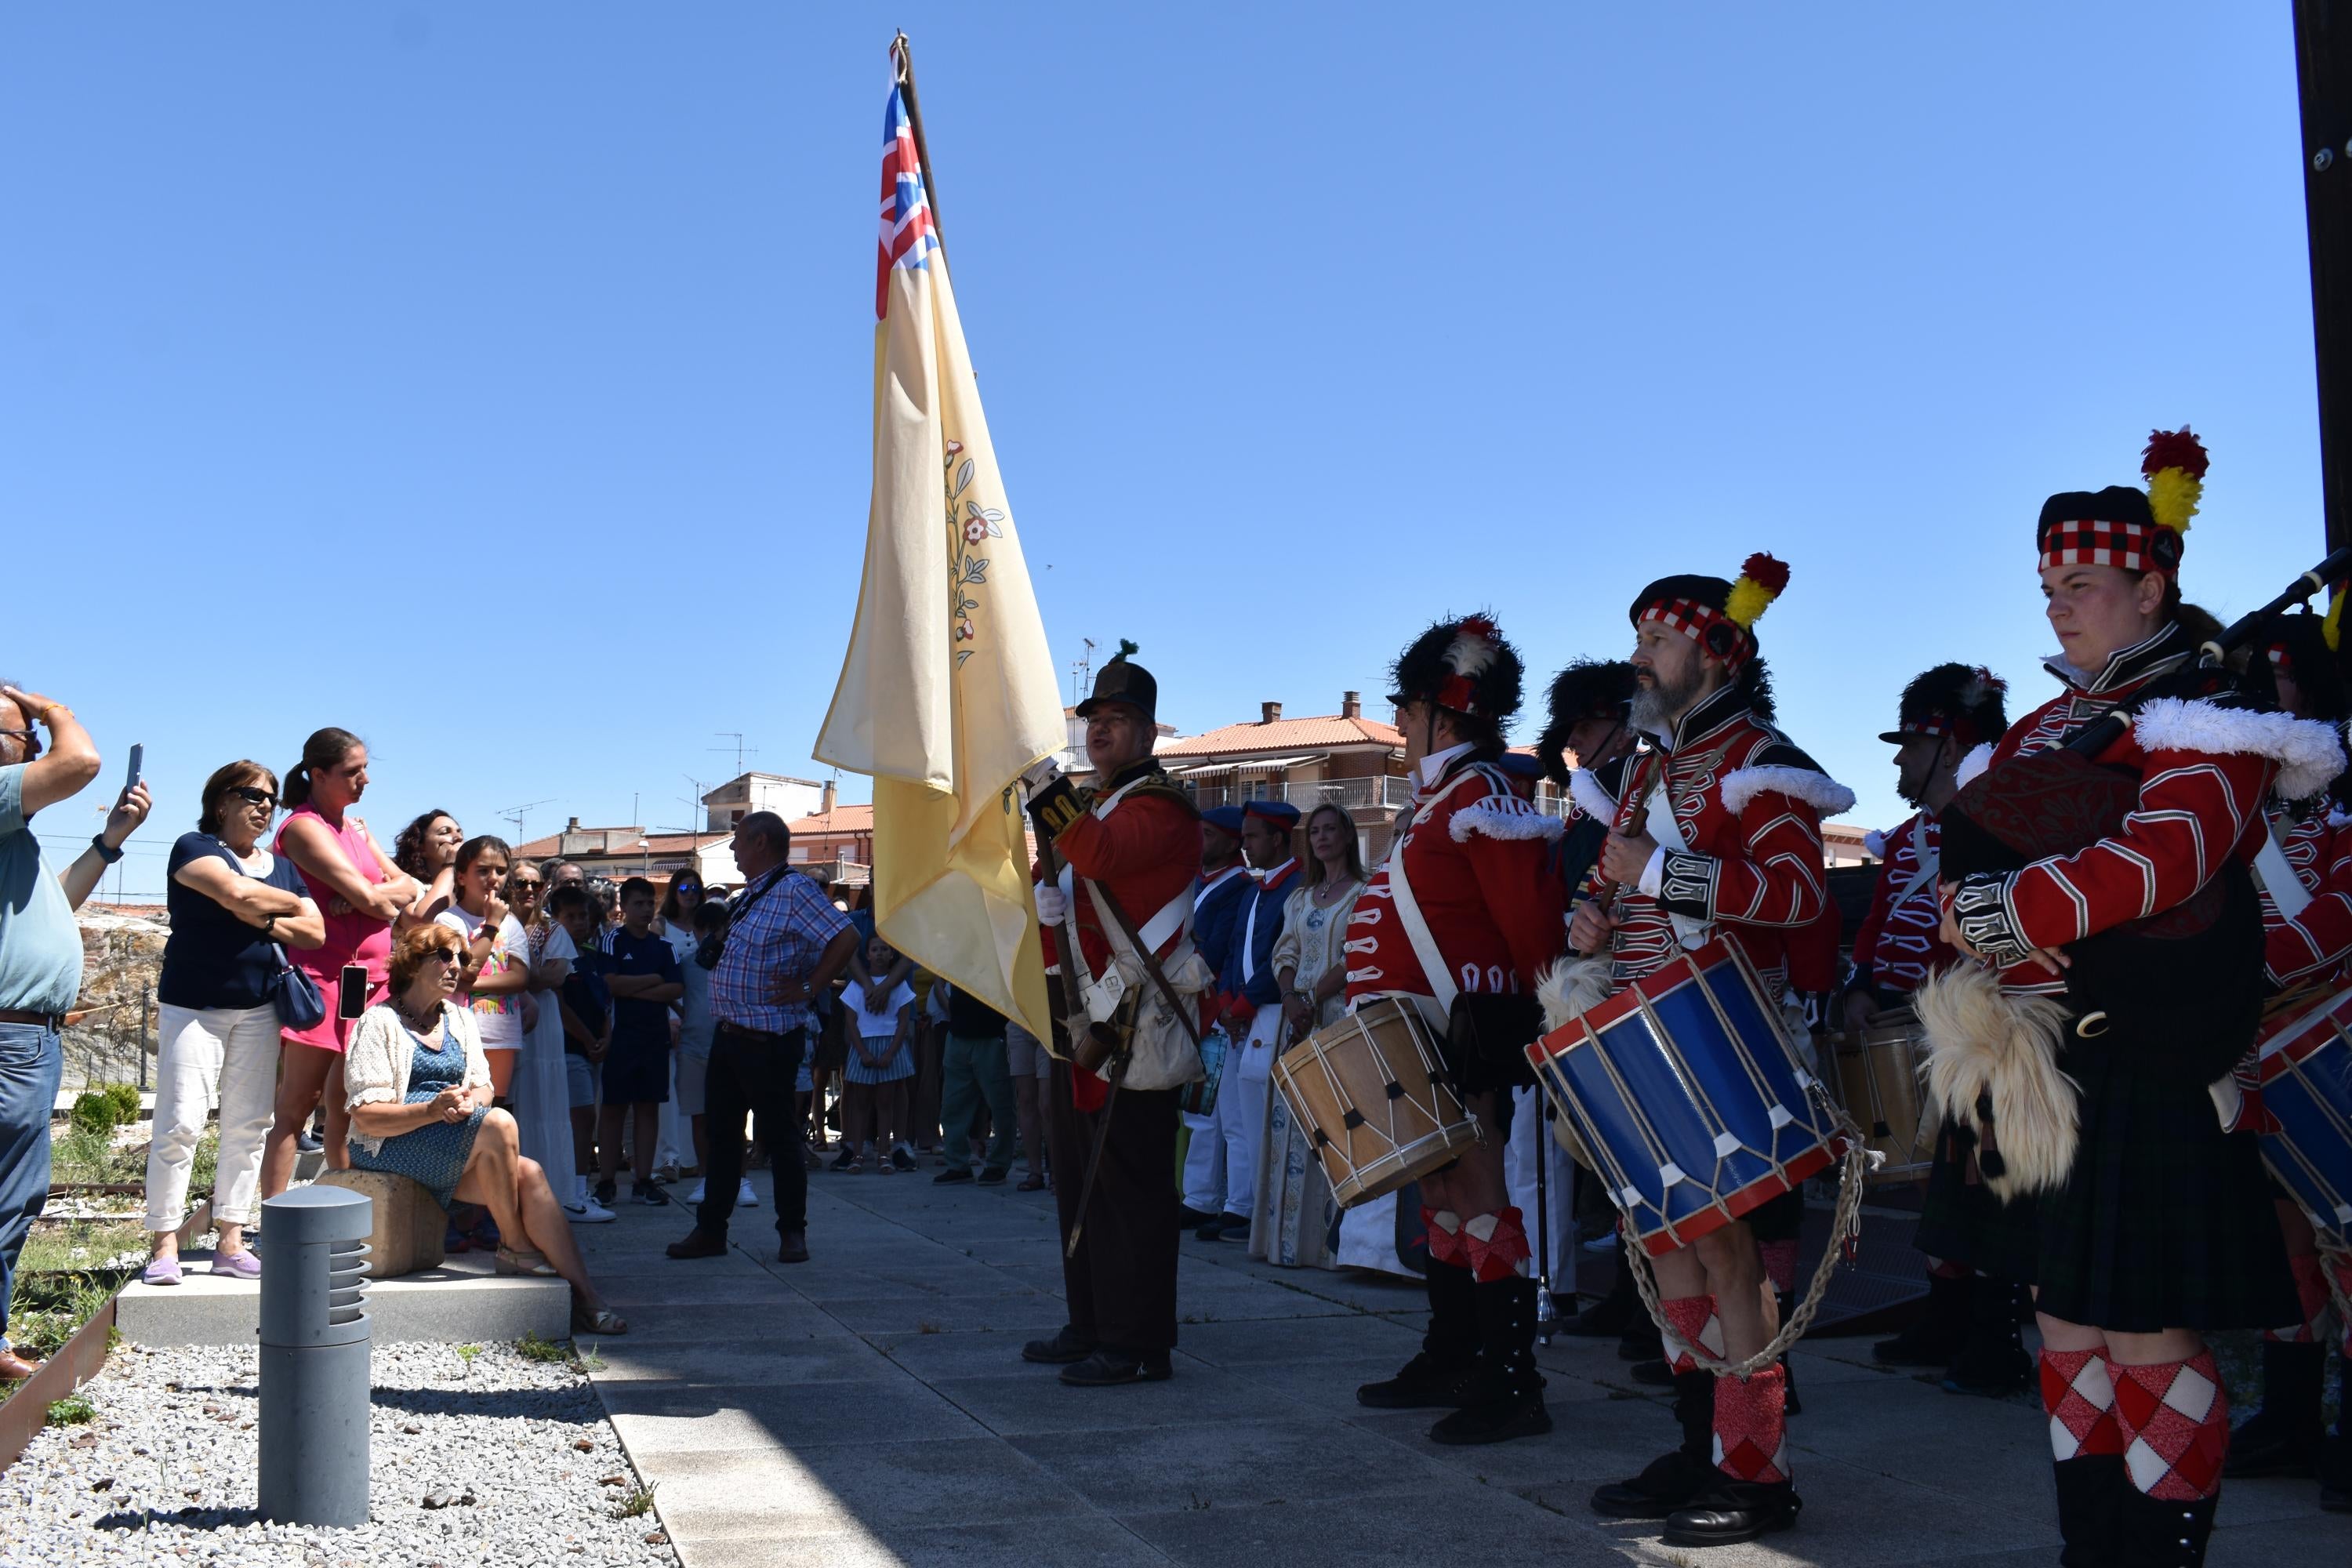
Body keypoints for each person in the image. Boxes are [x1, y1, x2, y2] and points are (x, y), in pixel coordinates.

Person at [1925, 430, 2330, 1562]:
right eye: (2049, 588)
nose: (2061, 609)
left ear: (2152, 585)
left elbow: (2167, 862)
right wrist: (1980, 928)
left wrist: (2005, 916)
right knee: (2064, 1320)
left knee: (2147, 1333)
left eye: (2085, 587)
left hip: (2155, 1057)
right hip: (2049, 1062)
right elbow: (1979, 852)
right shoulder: (2052, 729)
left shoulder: (2212, 722)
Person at [1560, 556, 1846, 1547]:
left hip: (1722, 1033)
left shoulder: (1762, 758)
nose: (1638, 659)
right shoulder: (1640, 767)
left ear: (1719, 651)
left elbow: (1801, 895)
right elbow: (1612, 878)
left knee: (1725, 1252)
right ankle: (1701, 1444)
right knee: (1668, 1246)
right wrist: (1593, 914)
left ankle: (1757, 1472)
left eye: (1657, 641)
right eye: (1639, 638)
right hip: (1641, 1032)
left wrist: (1666, 870)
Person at [1345, 616, 1568, 1446]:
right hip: (1418, 1030)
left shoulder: (1481, 797)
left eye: (1407, 708)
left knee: (1477, 1193)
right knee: (1440, 1195)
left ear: (1445, 710)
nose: (1399, 723)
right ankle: (1453, 1350)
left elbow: (1529, 927)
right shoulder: (1439, 797)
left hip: (1462, 1028)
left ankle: (1513, 1377)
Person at [1021, 643, 1212, 1386]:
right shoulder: (1093, 805)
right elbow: (1063, 880)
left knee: (1130, 1186)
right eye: (1096, 716)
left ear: (1149, 734)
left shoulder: (1160, 808)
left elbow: (1096, 856)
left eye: (1120, 718)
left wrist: (1045, 788)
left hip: (1137, 1020)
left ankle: (1139, 1343)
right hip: (1089, 1024)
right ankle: (1094, 1322)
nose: (1102, 728)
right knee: (1082, 1182)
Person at [1846, 666, 2026, 1388]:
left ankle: (1996, 1333)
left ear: (1950, 746)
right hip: (1908, 1020)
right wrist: (1862, 985)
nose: (1899, 760)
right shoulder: (1914, 836)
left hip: (1979, 1028)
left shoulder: (2000, 816)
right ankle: (1947, 1311)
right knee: (1935, 1184)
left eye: (1911, 745)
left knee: (1993, 1179)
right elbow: (1880, 925)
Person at [344, 924, 625, 1335]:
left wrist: (464, 1104)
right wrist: (431, 1110)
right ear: (412, 963)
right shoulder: (378, 1022)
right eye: (444, 956)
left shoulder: (458, 1016)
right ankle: (514, 1244)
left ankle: (586, 1297)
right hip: (387, 1145)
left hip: (447, 1137)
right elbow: (365, 1115)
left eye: (461, 958)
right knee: (498, 1123)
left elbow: (484, 1086)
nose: (457, 966)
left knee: (527, 1171)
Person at [2229, 610, 2352, 1504]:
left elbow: (2342, 908)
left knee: (2345, 1239)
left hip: (2328, 1031)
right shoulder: (2230, 798)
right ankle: (2292, 1412)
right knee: (2283, 1242)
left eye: (2274, 678)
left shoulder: (2344, 793)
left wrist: (2251, 973)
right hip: (2247, 1047)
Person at [0, 682, 150, 1381]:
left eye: (32, 738)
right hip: (9, 1041)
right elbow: (81, 762)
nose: (31, 748)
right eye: (19, 739)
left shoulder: (12, 834)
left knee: (15, 1196)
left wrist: (109, 842)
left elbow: (53, 904)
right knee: (6, 1196)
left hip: (28, 1039)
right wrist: (48, 707)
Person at [146, 761, 325, 1286]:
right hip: (194, 1009)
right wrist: (281, 907)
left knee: (249, 1127)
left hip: (258, 1008)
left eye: (271, 797)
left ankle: (231, 1238)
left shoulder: (282, 866)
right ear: (221, 801)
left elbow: (314, 931)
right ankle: (163, 1244)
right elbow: (236, 894)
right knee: (180, 1123)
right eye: (252, 794)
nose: (265, 805)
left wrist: (266, 914)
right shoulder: (194, 848)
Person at [666, 811, 855, 1265]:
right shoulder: (752, 894)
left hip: (769, 1038)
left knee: (778, 1136)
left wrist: (809, 987)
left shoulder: (794, 890)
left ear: (762, 843)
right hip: (729, 1036)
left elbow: (845, 937)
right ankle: (711, 1230)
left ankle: (793, 1232)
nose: (731, 849)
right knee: (723, 1136)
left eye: (738, 840)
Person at [1531, 659, 1654, 1347]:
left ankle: (1655, 1308)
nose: (1576, 740)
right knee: (1612, 1157)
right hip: (1589, 982)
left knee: (1642, 1149)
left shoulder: (1639, 789)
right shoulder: (1593, 800)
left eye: (1589, 724)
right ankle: (1633, 1293)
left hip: (1629, 984)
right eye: (1572, 729)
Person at [264, 728, 420, 1196]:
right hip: (321, 981)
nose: (365, 780)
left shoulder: (356, 827)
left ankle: (348, 1205)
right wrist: (366, 899)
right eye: (353, 772)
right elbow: (375, 897)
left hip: (372, 983)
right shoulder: (303, 827)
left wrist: (363, 901)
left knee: (351, 1102)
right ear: (318, 775)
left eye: (364, 769)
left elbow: (409, 888)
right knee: (299, 1106)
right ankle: (273, 1218)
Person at [1254, 800, 1363, 1267]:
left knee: (1334, 1124)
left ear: (1346, 836)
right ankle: (1285, 1242)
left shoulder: (1364, 891)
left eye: (1330, 829)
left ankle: (1328, 1247)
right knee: (1290, 1123)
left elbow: (1359, 951)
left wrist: (1315, 996)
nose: (1321, 838)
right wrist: (1291, 997)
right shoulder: (1300, 897)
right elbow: (1285, 950)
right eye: (1315, 831)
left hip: (1335, 1019)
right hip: (1295, 1020)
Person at [1196, 800, 1301, 1242]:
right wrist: (1225, 1000)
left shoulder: (1295, 887)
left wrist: (1239, 1006)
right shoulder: (1257, 889)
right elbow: (1236, 948)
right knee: (1237, 1120)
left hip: (1268, 1012)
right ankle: (1240, 1205)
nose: (1246, 844)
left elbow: (1279, 956)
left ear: (1277, 839)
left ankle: (1259, 1210)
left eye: (1254, 836)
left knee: (1262, 1119)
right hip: (1239, 1014)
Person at [1176, 804, 1252, 1229]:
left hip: (1219, 1009)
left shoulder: (1238, 886)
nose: (1198, 843)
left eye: (1207, 835)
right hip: (1193, 1008)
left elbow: (1218, 946)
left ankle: (1239, 1204)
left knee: (1232, 1117)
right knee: (1200, 1114)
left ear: (1230, 841)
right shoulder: (1196, 882)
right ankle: (1200, 1197)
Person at [593, 877, 683, 1207]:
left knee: (648, 1109)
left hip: (654, 1038)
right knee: (614, 1109)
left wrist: (636, 987)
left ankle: (644, 1179)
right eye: (638, 904)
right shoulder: (612, 941)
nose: (645, 910)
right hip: (620, 1038)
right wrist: (652, 980)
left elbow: (675, 989)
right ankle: (606, 1181)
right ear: (625, 907)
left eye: (650, 904)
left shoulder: (665, 947)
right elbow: (610, 985)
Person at [506, 859, 584, 1219]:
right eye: (520, 883)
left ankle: (550, 1190)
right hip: (500, 1018)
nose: (529, 891)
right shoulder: (496, 926)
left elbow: (552, 978)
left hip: (543, 1023)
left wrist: (514, 973)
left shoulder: (553, 930)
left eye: (536, 885)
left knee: (546, 1100)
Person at [433, 837, 531, 1103]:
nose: (493, 878)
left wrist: (470, 985)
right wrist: (490, 926)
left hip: (501, 1034)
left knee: (497, 1107)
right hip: (458, 1031)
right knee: (462, 1105)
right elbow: (465, 970)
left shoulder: (511, 923)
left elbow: (519, 978)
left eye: (500, 871)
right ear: (462, 877)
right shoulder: (448, 920)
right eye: (483, 870)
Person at [547, 884, 615, 1222]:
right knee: (581, 1118)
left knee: (588, 1120)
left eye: (584, 916)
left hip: (593, 1052)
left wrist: (605, 1036)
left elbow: (603, 1003)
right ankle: (573, 1196)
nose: (579, 922)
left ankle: (578, 1189)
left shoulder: (589, 958)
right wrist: (589, 1039)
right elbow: (560, 1006)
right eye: (570, 916)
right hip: (570, 1050)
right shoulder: (557, 959)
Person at [677, 902, 750, 1207]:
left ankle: (741, 1181)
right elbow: (672, 993)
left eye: (716, 929)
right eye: (703, 929)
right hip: (694, 1047)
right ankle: (707, 1179)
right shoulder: (686, 964)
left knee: (735, 1118)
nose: (710, 935)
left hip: (732, 1046)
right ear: (695, 931)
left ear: (726, 929)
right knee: (700, 1117)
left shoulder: (740, 961)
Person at [835, 938, 916, 1172]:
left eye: (884, 949)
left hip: (890, 1046)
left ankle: (884, 1155)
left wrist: (891, 1052)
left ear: (892, 954)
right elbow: (851, 1021)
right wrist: (861, 1051)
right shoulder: (856, 987)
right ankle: (857, 1154)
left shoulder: (899, 986)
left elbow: (903, 1022)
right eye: (875, 950)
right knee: (860, 1103)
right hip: (864, 1046)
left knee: (885, 1102)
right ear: (867, 955)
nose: (880, 953)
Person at [935, 982, 1015, 1185]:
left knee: (1001, 1105)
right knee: (952, 1106)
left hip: (992, 1033)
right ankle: (957, 1165)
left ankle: (998, 1165)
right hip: (958, 1032)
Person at [1002, 1016, 1053, 1191]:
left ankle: (1057, 1172)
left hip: (1050, 1024)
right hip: (1019, 1021)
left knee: (1047, 1104)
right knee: (1026, 1099)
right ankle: (1035, 1172)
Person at [390, 809, 462, 926]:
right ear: (421, 848)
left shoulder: (463, 892)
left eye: (459, 832)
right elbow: (421, 919)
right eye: (445, 832)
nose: (458, 837)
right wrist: (450, 865)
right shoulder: (411, 886)